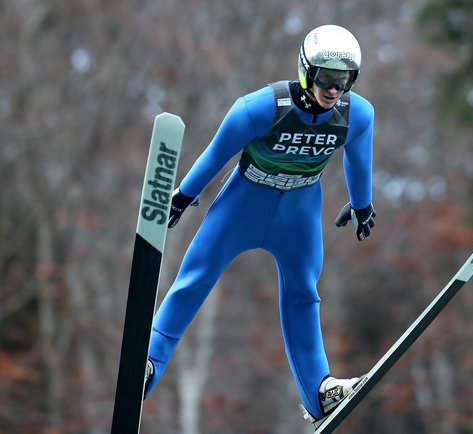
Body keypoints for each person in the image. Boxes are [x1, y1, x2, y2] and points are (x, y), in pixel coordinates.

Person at [144, 24, 376, 423]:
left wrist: (362, 205)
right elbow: (217, 154)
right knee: (194, 278)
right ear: (306, 70)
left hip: (299, 213)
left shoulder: (358, 115)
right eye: (326, 78)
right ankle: (147, 363)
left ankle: (319, 390)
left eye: (345, 80)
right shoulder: (260, 107)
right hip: (243, 204)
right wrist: (182, 196)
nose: (334, 89)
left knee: (304, 294)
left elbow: (358, 159)